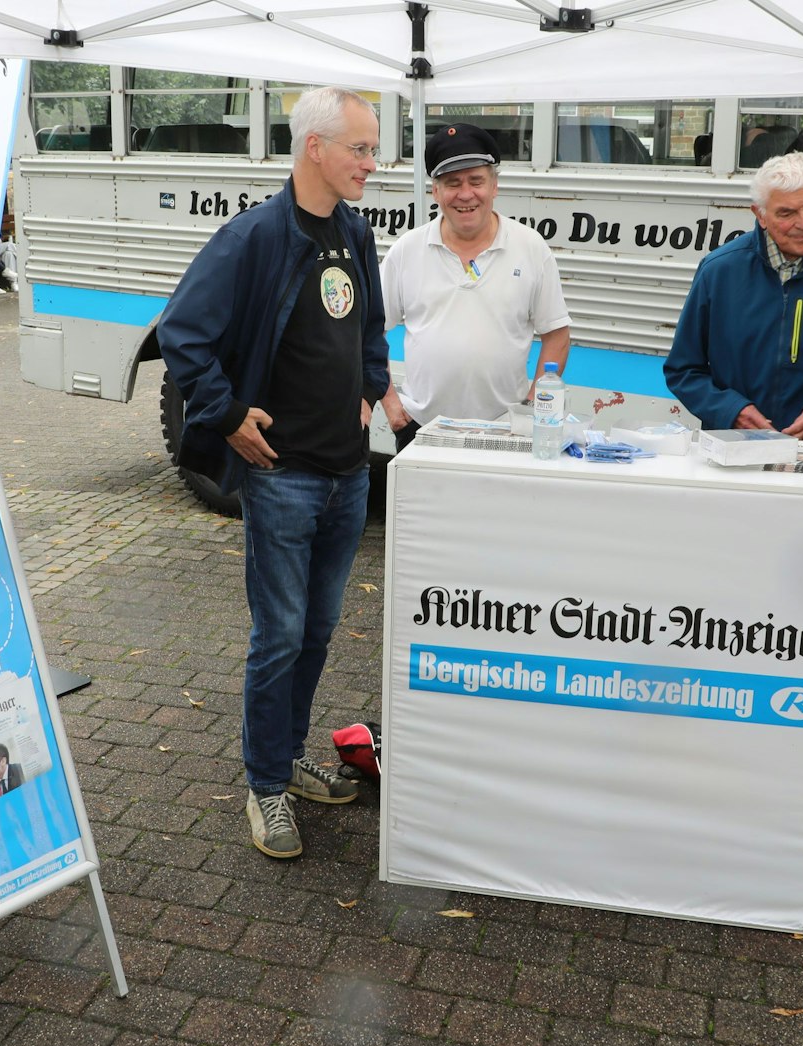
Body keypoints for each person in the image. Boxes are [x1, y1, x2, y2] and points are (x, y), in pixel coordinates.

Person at [156, 86, 388, 860]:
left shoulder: (354, 232)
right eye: (359, 148)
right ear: (314, 148)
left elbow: (371, 327)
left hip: (347, 474)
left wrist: (367, 390)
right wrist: (225, 415)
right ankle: (264, 785)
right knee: (280, 635)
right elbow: (182, 331)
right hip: (283, 476)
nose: (371, 162)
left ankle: (286, 761)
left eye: (372, 147)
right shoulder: (255, 234)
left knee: (318, 632)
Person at [379, 122, 570, 444]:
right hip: (422, 428)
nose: (466, 194)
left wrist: (532, 406)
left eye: (476, 181)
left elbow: (557, 334)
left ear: (494, 186)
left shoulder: (530, 247)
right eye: (452, 183)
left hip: (504, 428)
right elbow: (370, 331)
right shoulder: (406, 251)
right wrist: (393, 407)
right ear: (435, 191)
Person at [665, 152, 803, 436]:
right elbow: (683, 369)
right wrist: (731, 410)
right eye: (786, 213)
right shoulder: (718, 271)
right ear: (760, 215)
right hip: (731, 445)